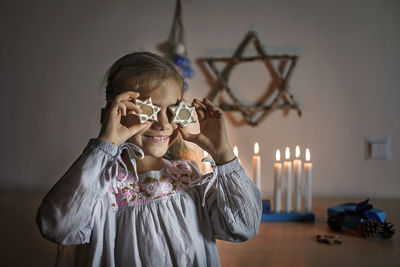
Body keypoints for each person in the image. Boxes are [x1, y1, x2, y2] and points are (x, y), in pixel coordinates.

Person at [36, 51, 262, 267]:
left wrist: (223, 154)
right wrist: (105, 144)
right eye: (149, 110)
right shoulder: (100, 185)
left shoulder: (190, 176)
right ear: (118, 110)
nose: (163, 124)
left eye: (172, 110)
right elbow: (57, 226)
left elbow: (244, 226)